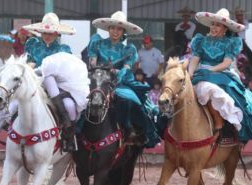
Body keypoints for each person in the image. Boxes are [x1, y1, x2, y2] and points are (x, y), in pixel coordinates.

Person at [188, 8, 252, 143]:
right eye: (213, 24)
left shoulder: (230, 42)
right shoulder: (201, 40)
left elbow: (226, 63)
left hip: (220, 72)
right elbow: (194, 59)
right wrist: (190, 73)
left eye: (218, 25)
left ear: (225, 29)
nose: (214, 27)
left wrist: (210, 70)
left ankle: (226, 127)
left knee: (232, 94)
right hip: (201, 73)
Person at [88, 11, 159, 147]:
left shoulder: (129, 49)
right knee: (81, 100)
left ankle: (129, 127)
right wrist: (102, 72)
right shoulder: (97, 43)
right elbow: (92, 64)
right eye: (113, 28)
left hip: (119, 82)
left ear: (123, 31)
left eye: (119, 29)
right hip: (98, 81)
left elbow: (126, 69)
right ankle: (74, 132)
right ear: (108, 29)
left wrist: (115, 73)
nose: (115, 31)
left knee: (130, 99)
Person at [23, 12, 89, 151]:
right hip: (35, 81)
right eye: (44, 31)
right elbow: (29, 64)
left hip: (58, 86)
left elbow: (66, 72)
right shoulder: (32, 44)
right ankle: (11, 130)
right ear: (40, 31)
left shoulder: (63, 49)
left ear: (56, 33)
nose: (47, 35)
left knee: (70, 106)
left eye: (51, 32)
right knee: (13, 103)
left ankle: (69, 136)